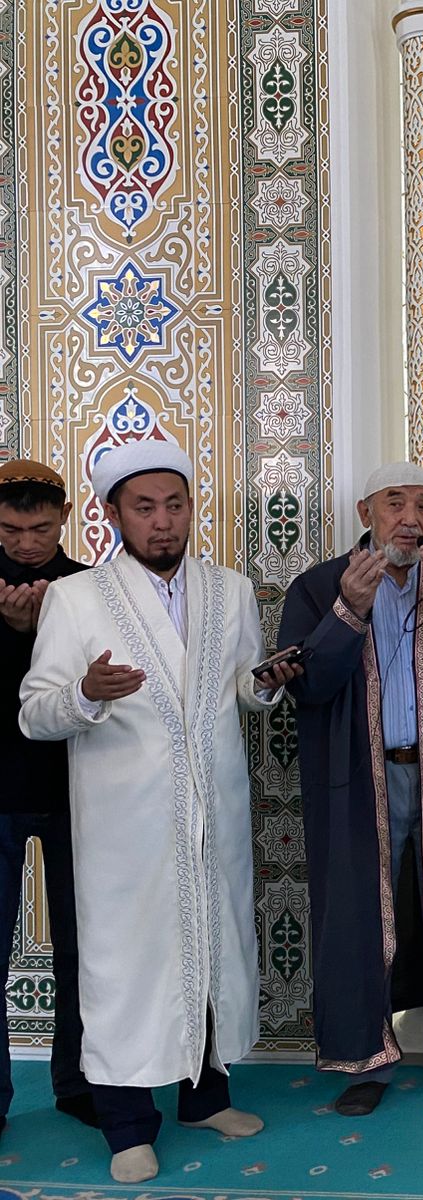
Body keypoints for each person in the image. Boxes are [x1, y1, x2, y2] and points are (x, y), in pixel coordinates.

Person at [19, 440, 298, 1181]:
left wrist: (266, 684)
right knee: (126, 971)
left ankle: (206, 1101)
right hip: (124, 829)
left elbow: (242, 689)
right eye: (144, 508)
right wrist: (85, 694)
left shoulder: (231, 590)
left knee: (210, 952)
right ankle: (126, 1126)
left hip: (215, 817)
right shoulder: (76, 599)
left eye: (174, 505)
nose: (163, 521)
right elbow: (35, 712)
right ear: (112, 515)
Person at [278, 463, 423, 1117]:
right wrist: (348, 612)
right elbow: (305, 686)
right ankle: (365, 1062)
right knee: (357, 913)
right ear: (366, 513)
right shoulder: (320, 585)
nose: (411, 518)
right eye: (395, 503)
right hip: (357, 781)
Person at [0, 460, 94, 1140]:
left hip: (79, 793)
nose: (27, 544)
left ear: (64, 518)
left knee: (83, 951)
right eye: (11, 530)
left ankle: (78, 1084)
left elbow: (94, 688)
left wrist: (36, 636)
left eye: (39, 529)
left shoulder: (89, 589)